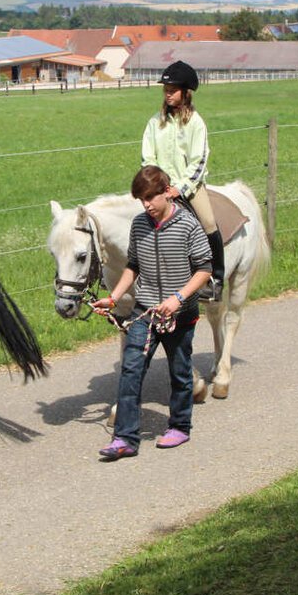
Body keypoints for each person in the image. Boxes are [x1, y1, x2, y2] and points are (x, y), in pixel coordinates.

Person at [90, 165, 212, 460]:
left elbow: (204, 269)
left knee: (180, 372)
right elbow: (133, 265)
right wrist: (113, 298)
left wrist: (178, 298)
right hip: (145, 311)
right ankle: (125, 438)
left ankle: (180, 426)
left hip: (179, 314)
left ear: (166, 192)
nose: (146, 205)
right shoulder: (139, 224)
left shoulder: (188, 225)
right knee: (131, 369)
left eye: (150, 198)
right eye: (141, 200)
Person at [141, 59, 223, 302]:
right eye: (166, 90)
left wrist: (180, 188)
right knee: (138, 223)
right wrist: (155, 186)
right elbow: (148, 157)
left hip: (189, 187)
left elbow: (199, 160)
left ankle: (215, 279)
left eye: (172, 90)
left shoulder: (196, 123)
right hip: (159, 188)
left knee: (208, 223)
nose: (167, 94)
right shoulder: (155, 122)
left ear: (186, 93)